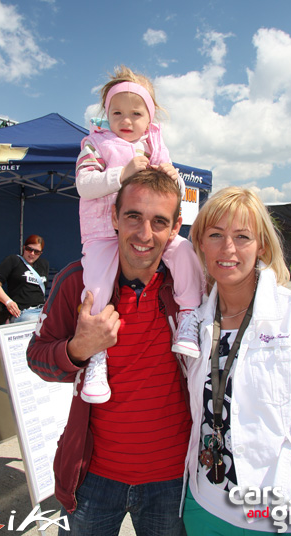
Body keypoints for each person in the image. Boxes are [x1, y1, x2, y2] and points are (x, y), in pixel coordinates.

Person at [26, 170, 291, 536]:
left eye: (159, 221)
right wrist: (78, 349)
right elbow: (37, 358)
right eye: (133, 216)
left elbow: (248, 290)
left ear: (176, 227)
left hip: (174, 482)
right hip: (93, 477)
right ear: (114, 216)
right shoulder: (79, 282)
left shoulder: (192, 287)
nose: (144, 234)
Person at [183, 187, 291, 535]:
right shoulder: (194, 322)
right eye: (215, 235)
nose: (228, 248)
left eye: (242, 236)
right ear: (200, 244)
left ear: (262, 247)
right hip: (203, 508)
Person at [75, 65, 204, 404]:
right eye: (117, 112)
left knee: (184, 251)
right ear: (106, 114)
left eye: (136, 113)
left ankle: (189, 316)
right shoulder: (95, 143)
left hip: (147, 231)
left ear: (150, 118)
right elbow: (84, 185)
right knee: (97, 286)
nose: (126, 120)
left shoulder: (156, 144)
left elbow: (175, 192)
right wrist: (122, 174)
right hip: (102, 232)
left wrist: (174, 178)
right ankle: (97, 355)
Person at [0, 235, 49, 323]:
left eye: (36, 252)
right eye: (29, 249)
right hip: (23, 312)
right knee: (36, 321)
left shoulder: (44, 264)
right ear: (24, 248)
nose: (32, 254)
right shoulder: (13, 260)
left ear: (41, 253)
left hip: (42, 309)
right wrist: (8, 302)